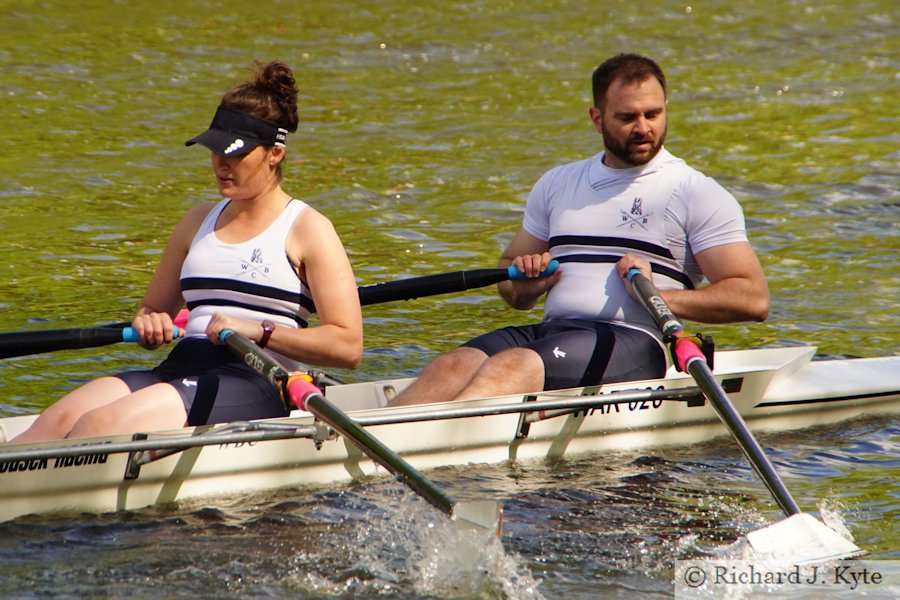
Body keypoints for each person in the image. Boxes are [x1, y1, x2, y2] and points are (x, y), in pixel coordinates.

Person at [10, 60, 363, 442]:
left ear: (274, 153)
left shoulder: (309, 229)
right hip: (180, 366)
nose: (220, 164)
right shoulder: (197, 220)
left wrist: (258, 331)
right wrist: (150, 321)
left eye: (235, 153)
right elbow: (152, 309)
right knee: (53, 423)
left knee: (98, 427)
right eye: (215, 150)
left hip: (258, 378)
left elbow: (347, 346)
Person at [389, 53, 769, 406]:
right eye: (627, 117)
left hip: (633, 341)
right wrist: (530, 281)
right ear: (596, 118)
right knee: (450, 365)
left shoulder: (695, 192)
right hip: (555, 332)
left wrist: (660, 297)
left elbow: (752, 299)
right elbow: (513, 292)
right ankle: (375, 450)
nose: (642, 128)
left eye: (652, 114)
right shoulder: (559, 183)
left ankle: (433, 455)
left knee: (514, 366)